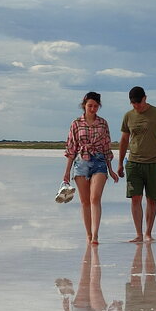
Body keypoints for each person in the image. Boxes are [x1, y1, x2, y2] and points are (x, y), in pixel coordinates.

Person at [116, 86, 156, 243]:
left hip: (154, 163)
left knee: (151, 199)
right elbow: (124, 140)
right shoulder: (128, 116)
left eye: (139, 103)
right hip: (134, 163)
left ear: (145, 98)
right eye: (133, 104)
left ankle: (148, 232)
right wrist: (120, 163)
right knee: (135, 198)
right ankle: (138, 234)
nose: (137, 107)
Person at [63, 92, 119, 244]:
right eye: (90, 106)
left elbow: (107, 147)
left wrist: (111, 169)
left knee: (95, 198)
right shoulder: (76, 123)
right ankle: (88, 235)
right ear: (84, 105)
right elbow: (71, 149)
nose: (93, 109)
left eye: (95, 106)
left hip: (99, 161)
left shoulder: (103, 123)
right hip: (80, 163)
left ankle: (95, 235)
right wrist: (67, 172)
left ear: (99, 106)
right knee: (85, 201)